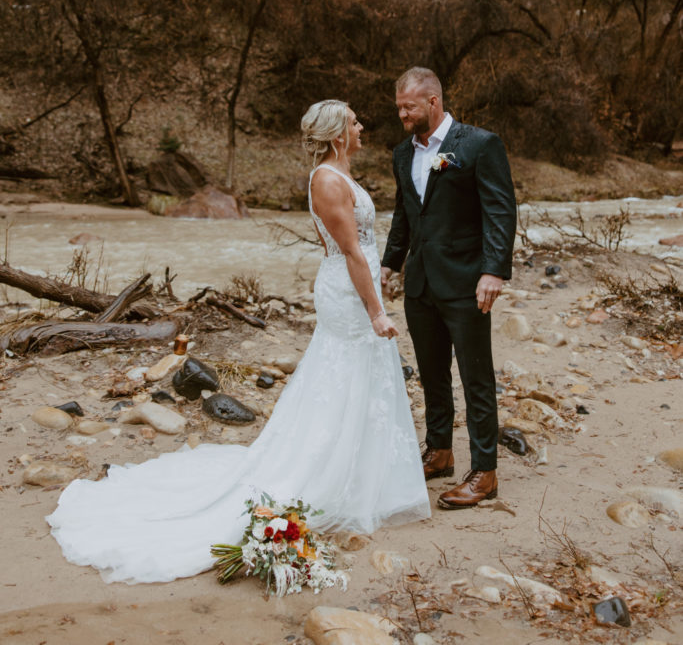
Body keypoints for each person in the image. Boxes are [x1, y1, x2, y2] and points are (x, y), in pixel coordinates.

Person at [47, 99, 429, 583]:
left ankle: (365, 476)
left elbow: (354, 248)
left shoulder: (337, 175)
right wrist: (376, 310)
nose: (361, 125)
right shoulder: (327, 180)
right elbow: (351, 250)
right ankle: (332, 475)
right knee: (345, 372)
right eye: (354, 121)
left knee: (357, 375)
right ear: (337, 134)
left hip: (352, 287)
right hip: (350, 295)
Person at [381, 67, 516, 509]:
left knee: (476, 376)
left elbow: (500, 210)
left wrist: (493, 271)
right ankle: (439, 451)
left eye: (409, 106)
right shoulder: (403, 153)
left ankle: (485, 472)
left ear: (433, 103)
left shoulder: (478, 144)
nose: (402, 113)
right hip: (420, 282)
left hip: (466, 281)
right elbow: (406, 213)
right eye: (399, 106)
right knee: (431, 371)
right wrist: (389, 263)